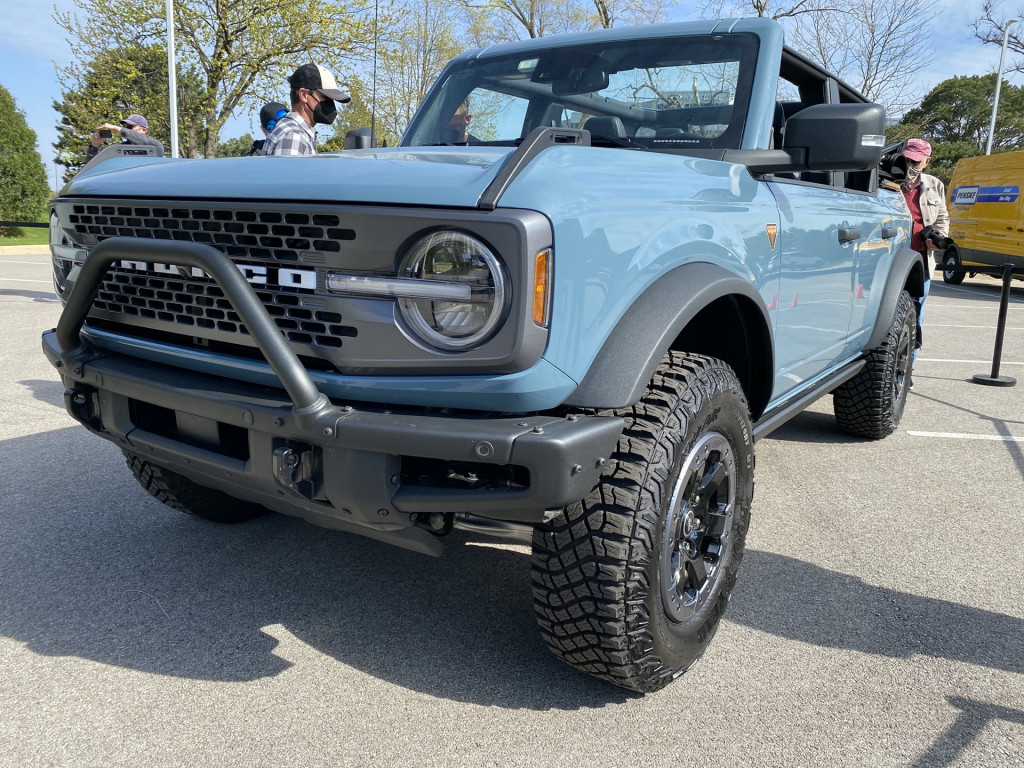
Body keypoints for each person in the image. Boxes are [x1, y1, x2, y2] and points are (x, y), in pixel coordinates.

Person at [899, 138, 949, 354]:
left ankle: (906, 369)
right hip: (889, 261)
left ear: (927, 162)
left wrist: (939, 239)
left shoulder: (935, 185)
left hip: (920, 263)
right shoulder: (886, 182)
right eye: (907, 160)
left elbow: (942, 218)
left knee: (914, 318)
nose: (910, 165)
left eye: (916, 162)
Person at [264, 64, 350, 156]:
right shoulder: (294, 135)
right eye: (326, 97)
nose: (331, 104)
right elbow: (288, 170)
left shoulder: (297, 131)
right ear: (303, 95)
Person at [86, 114, 165, 162]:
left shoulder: (154, 146)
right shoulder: (120, 150)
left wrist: (117, 128)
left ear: (143, 130)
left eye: (130, 127)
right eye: (126, 127)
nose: (127, 129)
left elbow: (159, 148)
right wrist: (94, 146)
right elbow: (92, 168)